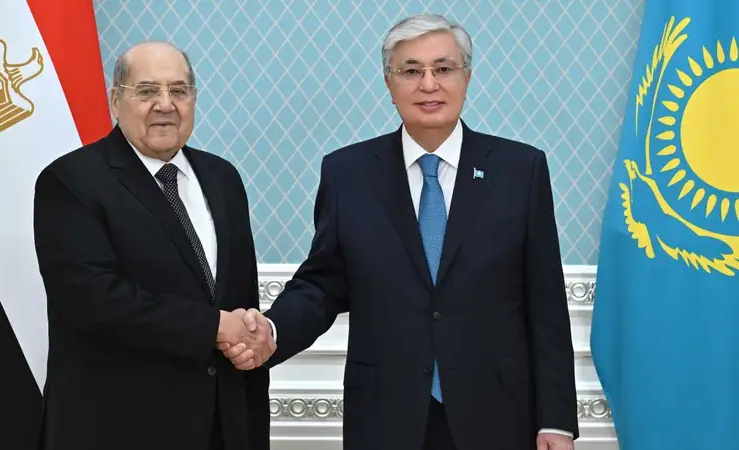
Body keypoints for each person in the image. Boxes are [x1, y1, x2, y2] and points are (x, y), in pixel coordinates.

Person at [219, 13, 579, 450]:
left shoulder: (520, 170)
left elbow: (546, 305)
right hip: (386, 417)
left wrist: (556, 421)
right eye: (411, 71)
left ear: (466, 78)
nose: (429, 84)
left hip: (497, 416)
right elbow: (322, 284)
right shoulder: (348, 173)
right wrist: (272, 331)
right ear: (389, 84)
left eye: (443, 68)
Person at [32, 41, 273, 450]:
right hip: (118, 427)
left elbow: (239, 296)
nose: (165, 104)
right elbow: (92, 301)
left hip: (224, 425)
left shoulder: (223, 178)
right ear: (115, 101)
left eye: (178, 90)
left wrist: (256, 335)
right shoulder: (71, 181)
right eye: (146, 91)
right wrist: (213, 326)